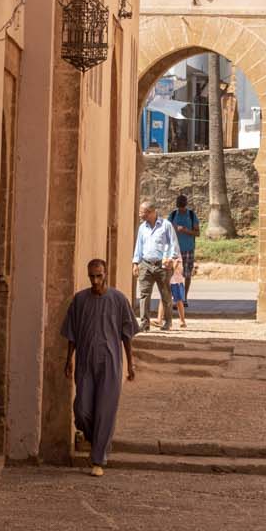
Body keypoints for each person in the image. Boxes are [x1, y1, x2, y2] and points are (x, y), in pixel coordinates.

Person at [61, 257, 137, 476]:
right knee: (82, 410)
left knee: (105, 410)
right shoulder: (80, 300)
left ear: (106, 274)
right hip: (85, 361)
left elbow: (127, 335)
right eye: (92, 276)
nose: (95, 281)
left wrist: (130, 364)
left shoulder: (119, 300)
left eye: (99, 276)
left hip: (110, 363)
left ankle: (98, 460)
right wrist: (69, 359)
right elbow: (72, 333)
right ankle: (96, 440)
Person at [133, 201, 178, 331]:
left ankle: (168, 322)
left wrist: (171, 259)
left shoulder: (166, 225)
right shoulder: (142, 228)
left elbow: (173, 243)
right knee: (144, 294)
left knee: (165, 295)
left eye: (142, 212)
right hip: (145, 265)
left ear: (151, 212)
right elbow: (139, 246)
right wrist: (135, 263)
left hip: (162, 266)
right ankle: (144, 323)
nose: (140, 215)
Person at [170, 191, 199, 298]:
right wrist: (174, 228)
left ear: (186, 205)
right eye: (179, 207)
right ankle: (176, 298)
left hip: (188, 249)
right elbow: (167, 230)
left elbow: (197, 233)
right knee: (174, 275)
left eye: (182, 207)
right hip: (175, 250)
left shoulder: (191, 215)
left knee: (187, 275)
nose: (181, 209)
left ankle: (184, 297)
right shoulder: (173, 215)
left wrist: (186, 230)